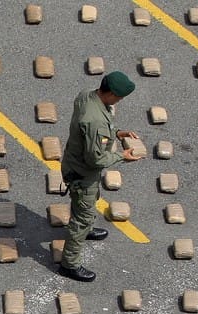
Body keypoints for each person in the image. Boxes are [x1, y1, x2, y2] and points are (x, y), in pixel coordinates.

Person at [58, 71, 142, 282]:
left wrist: (118, 133)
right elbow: (95, 159)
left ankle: (86, 229)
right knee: (82, 218)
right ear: (111, 93)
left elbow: (93, 129)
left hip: (75, 162)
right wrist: (122, 156)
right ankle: (69, 264)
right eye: (119, 97)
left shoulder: (87, 95)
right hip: (82, 172)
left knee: (88, 201)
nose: (119, 100)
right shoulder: (95, 122)